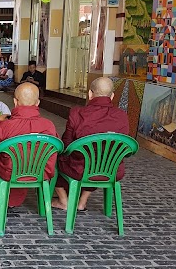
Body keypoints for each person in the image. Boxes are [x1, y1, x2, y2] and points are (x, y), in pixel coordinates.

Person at [52, 77, 130, 212]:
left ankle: (64, 200)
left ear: (90, 94)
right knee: (98, 160)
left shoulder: (77, 113)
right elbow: (126, 149)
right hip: (111, 171)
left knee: (55, 158)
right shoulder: (122, 116)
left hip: (80, 169)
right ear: (112, 96)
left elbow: (66, 144)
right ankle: (82, 201)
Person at [0, 83, 58, 207]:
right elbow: (55, 147)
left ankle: (0, 198)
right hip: (40, 172)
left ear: (15, 101)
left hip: (10, 173)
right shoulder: (49, 125)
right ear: (37, 103)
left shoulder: (6, 126)